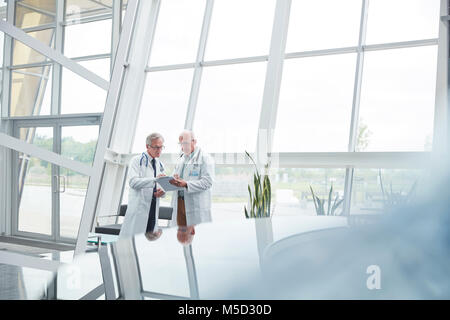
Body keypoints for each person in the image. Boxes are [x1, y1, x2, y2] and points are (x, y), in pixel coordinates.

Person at [119, 133, 166, 237]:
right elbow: (133, 182)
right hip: (139, 208)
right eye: (156, 147)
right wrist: (155, 180)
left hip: (153, 208)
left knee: (148, 241)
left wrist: (162, 192)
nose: (159, 150)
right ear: (147, 146)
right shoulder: (137, 160)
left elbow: (160, 187)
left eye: (161, 147)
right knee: (132, 241)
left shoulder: (160, 165)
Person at [169, 130, 214, 227]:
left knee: (195, 235)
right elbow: (174, 176)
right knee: (179, 234)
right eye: (180, 144)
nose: (182, 147)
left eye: (185, 143)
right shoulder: (182, 159)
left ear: (194, 141)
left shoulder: (205, 158)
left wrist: (186, 184)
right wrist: (172, 179)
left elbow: (208, 182)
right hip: (179, 202)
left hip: (195, 204)